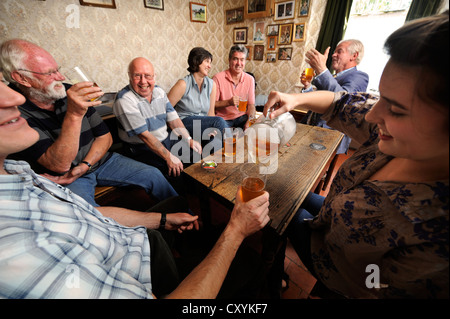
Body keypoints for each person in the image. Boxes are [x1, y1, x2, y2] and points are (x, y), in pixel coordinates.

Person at [0, 80, 270, 299]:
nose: (14, 99)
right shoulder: (17, 251)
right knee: (249, 263)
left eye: (150, 75)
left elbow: (92, 209)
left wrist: (162, 220)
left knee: (166, 181)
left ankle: (191, 226)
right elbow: (63, 164)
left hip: (113, 189)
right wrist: (236, 231)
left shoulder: (19, 172)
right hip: (97, 187)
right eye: (139, 75)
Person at [264, 11, 449, 298]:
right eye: (381, 98)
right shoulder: (390, 132)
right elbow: (340, 103)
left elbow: (375, 287)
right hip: (330, 214)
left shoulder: (437, 237)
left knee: (280, 212)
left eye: (397, 109)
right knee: (284, 188)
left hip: (333, 269)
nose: (374, 115)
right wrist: (297, 99)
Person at [0, 39, 178, 207]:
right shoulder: (13, 110)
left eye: (57, 69)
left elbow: (105, 138)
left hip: (100, 161)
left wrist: (86, 165)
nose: (60, 76)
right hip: (65, 177)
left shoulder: (68, 90)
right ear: (21, 78)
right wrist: (74, 114)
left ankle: (185, 216)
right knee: (86, 212)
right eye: (50, 73)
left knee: (154, 175)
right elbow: (59, 165)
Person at [113, 57, 202, 179]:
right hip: (141, 148)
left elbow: (174, 120)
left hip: (166, 140)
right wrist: (169, 157)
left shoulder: (159, 91)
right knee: (172, 170)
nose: (143, 81)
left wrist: (188, 139)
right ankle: (179, 196)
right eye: (137, 76)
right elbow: (145, 136)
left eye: (148, 76)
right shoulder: (124, 99)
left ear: (154, 76)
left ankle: (198, 193)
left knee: (195, 155)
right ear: (129, 76)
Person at [301, 39, 369, 154]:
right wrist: (307, 86)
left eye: (339, 51)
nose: (333, 54)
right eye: (334, 51)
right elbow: (318, 103)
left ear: (354, 55)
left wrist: (322, 70)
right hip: (309, 129)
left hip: (328, 138)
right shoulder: (332, 77)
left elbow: (343, 101)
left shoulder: (360, 77)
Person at [167, 47, 228, 154]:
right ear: (197, 61)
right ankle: (236, 147)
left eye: (210, 62)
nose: (210, 66)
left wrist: (212, 129)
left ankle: (211, 168)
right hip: (185, 122)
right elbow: (165, 110)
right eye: (207, 62)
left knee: (215, 141)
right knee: (219, 121)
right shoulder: (183, 84)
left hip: (202, 124)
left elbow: (211, 113)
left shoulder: (212, 85)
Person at [213, 45, 256, 129]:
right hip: (223, 119)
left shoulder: (250, 79)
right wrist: (228, 102)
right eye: (235, 59)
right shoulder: (217, 78)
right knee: (227, 137)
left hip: (242, 117)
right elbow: (212, 104)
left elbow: (251, 105)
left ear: (245, 61)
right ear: (229, 60)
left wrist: (250, 121)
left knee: (259, 124)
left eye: (242, 60)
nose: (239, 63)